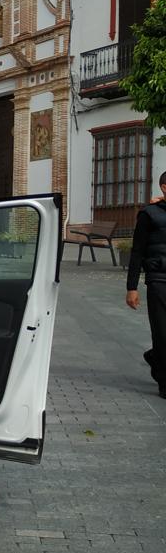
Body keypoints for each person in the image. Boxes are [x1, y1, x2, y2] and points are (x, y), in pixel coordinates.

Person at [126, 171, 166, 399]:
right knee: (162, 332)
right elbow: (137, 252)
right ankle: (164, 382)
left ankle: (155, 356)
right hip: (159, 279)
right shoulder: (149, 215)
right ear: (164, 187)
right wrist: (132, 287)